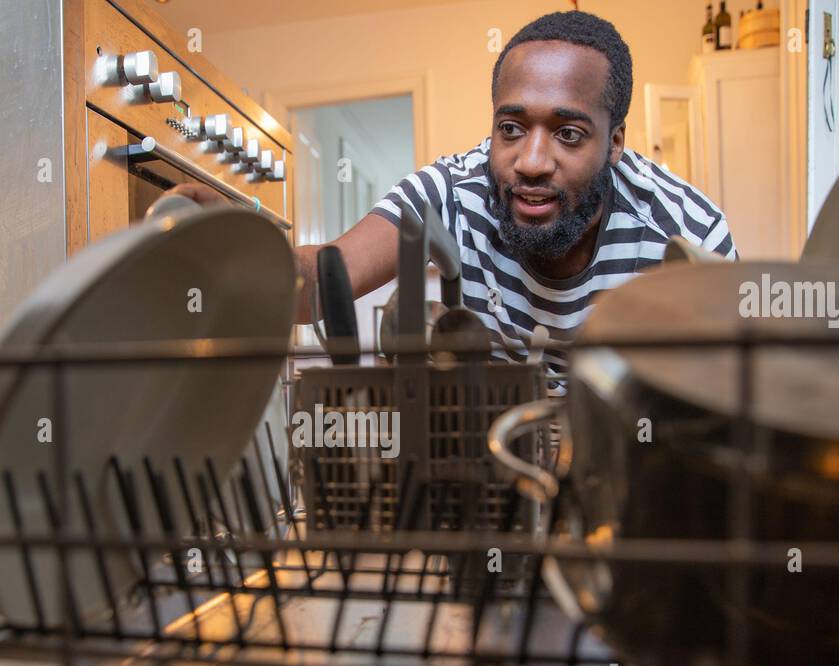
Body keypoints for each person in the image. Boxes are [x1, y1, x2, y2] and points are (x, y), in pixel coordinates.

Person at [165, 10, 736, 391]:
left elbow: (722, 401)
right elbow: (324, 277)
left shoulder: (685, 232)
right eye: (511, 128)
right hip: (491, 480)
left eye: (568, 134)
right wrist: (239, 259)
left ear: (615, 143)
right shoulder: (450, 192)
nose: (531, 161)